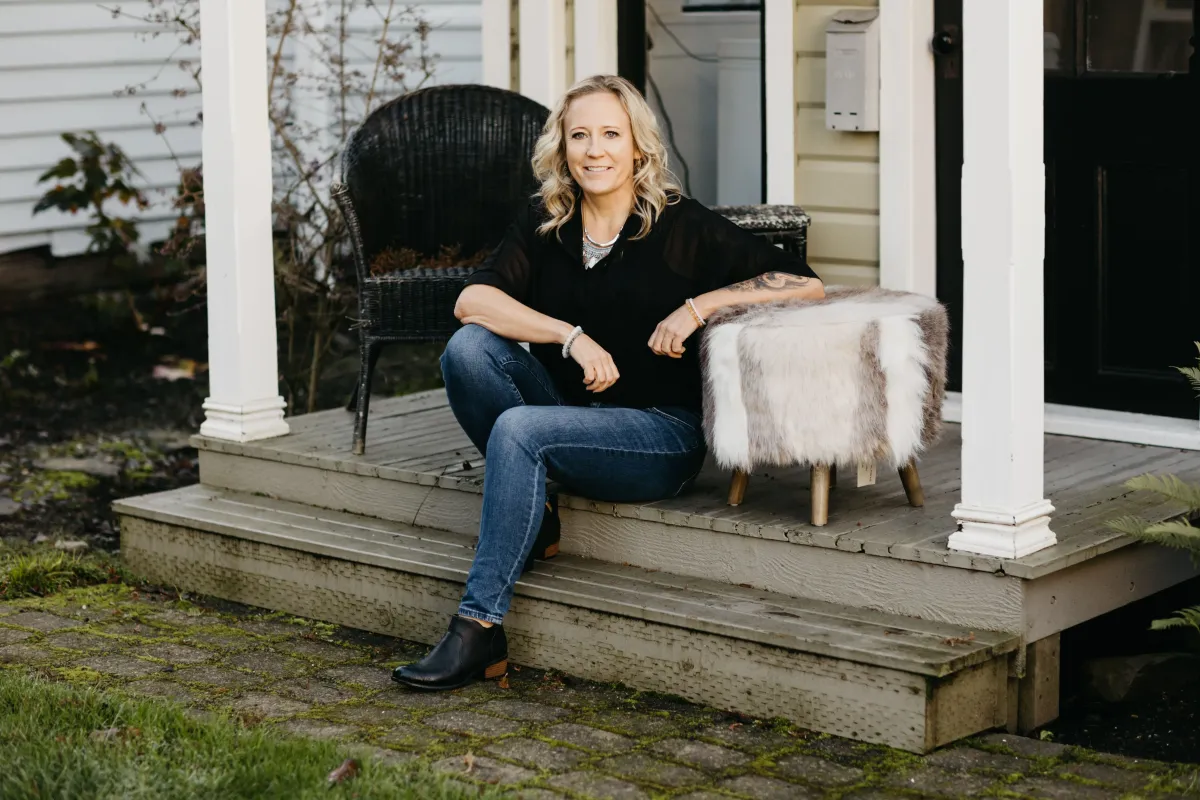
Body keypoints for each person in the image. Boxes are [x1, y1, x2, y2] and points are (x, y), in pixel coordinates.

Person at [392, 74, 823, 691]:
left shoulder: (680, 226)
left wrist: (698, 307)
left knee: (518, 429)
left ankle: (479, 629)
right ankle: (533, 513)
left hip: (659, 435)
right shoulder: (549, 224)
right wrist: (567, 335)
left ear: (638, 148)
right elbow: (473, 301)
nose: (595, 151)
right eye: (580, 136)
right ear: (563, 149)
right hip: (565, 416)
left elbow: (804, 283)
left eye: (610, 135)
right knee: (468, 350)